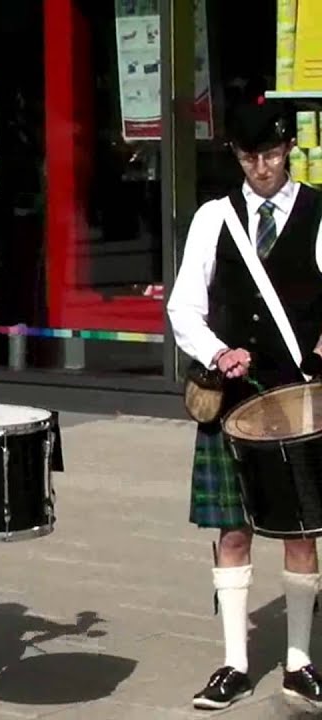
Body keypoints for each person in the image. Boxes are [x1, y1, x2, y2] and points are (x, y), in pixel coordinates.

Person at [168, 97, 322, 711]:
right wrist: (216, 350)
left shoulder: (318, 209)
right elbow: (184, 305)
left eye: (273, 154)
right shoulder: (214, 216)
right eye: (250, 156)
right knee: (232, 531)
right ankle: (233, 662)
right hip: (233, 400)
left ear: (289, 149)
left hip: (302, 396)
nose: (263, 167)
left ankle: (300, 662)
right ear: (235, 155)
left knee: (301, 532)